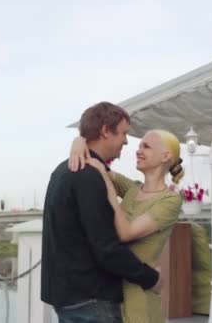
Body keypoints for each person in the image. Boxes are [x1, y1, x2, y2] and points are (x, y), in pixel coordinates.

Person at [41, 102, 162, 323]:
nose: (126, 141)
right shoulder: (89, 176)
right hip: (92, 301)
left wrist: (79, 141)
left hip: (68, 298)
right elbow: (106, 247)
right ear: (106, 131)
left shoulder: (62, 171)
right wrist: (151, 278)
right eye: (124, 133)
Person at [68, 127, 184, 323]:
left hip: (139, 295)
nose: (138, 150)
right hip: (112, 293)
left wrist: (107, 185)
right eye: (139, 146)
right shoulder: (133, 188)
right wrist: (79, 142)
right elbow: (97, 164)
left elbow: (126, 233)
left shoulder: (170, 200)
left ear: (165, 156)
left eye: (146, 146)